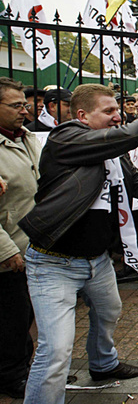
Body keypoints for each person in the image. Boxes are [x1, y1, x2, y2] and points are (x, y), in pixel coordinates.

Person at [18, 83, 138, 404]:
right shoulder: (64, 138)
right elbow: (115, 138)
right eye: (108, 111)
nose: (117, 116)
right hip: (55, 263)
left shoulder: (112, 153)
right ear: (82, 115)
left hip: (98, 260)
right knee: (56, 351)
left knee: (109, 311)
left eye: (117, 110)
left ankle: (103, 364)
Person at [0, 78, 41, 399]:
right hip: (9, 249)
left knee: (24, 314)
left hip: (32, 243)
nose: (24, 110)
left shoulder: (26, 138)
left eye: (24, 104)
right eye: (16, 105)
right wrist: (6, 250)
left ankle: (25, 367)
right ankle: (11, 375)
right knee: (10, 317)